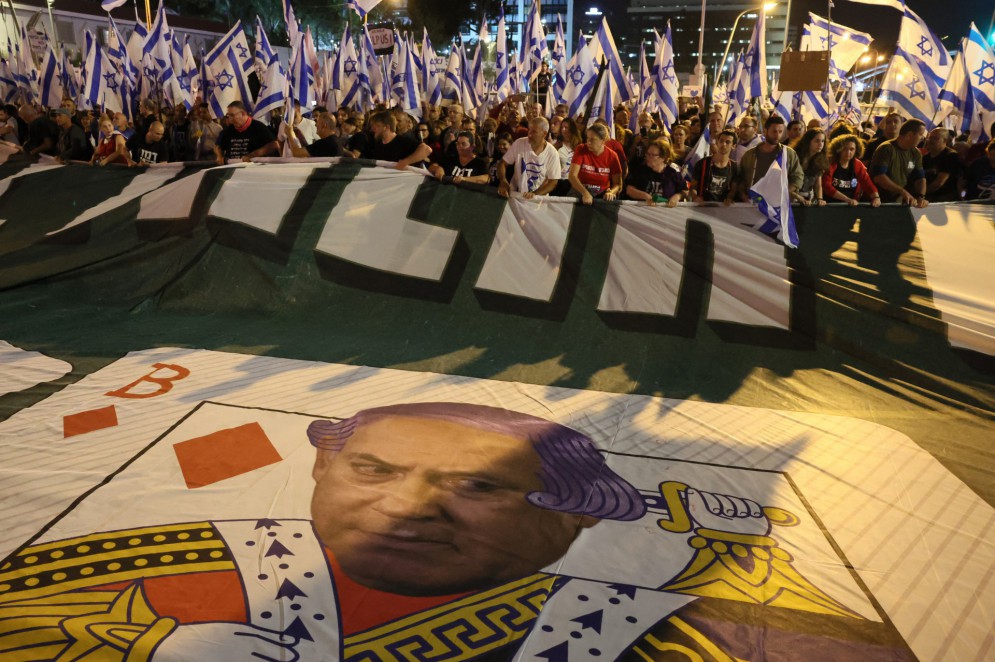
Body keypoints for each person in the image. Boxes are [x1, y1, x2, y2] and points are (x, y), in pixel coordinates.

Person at [738, 115, 804, 197]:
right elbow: (741, 179)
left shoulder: (789, 154)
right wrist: (743, 196)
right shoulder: (750, 155)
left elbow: (797, 178)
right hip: (753, 202)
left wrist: (782, 194)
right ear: (765, 131)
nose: (777, 135)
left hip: (778, 204)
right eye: (774, 131)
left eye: (780, 132)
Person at [498, 117, 561, 199]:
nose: (529, 134)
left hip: (538, 201)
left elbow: (553, 182)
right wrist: (503, 181)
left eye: (534, 131)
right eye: (529, 130)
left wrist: (535, 194)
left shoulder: (552, 153)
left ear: (544, 133)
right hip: (516, 196)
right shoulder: (519, 143)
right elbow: (502, 163)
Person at [870, 118, 928, 208]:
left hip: (900, 202)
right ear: (909, 135)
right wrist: (902, 191)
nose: (923, 138)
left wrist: (920, 196)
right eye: (920, 134)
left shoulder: (916, 153)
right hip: (880, 203)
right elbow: (879, 177)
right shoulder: (886, 149)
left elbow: (920, 178)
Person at [568, 123, 623, 205]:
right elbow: (572, 176)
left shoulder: (612, 156)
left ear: (603, 141)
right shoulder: (581, 149)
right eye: (587, 139)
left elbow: (618, 184)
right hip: (579, 193)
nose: (588, 142)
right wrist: (585, 193)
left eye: (593, 139)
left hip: (601, 197)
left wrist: (611, 192)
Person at [624, 139, 687, 207]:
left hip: (667, 212)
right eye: (647, 154)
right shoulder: (641, 169)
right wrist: (645, 196)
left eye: (652, 155)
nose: (648, 157)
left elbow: (685, 191)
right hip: (644, 211)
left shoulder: (673, 171)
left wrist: (677, 197)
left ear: (663, 157)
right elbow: (629, 190)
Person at [822, 134, 880, 206]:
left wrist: (876, 197)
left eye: (851, 149)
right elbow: (826, 186)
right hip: (830, 205)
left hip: (851, 205)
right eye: (845, 149)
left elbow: (867, 182)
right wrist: (847, 199)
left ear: (856, 150)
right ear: (838, 149)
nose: (848, 152)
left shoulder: (858, 165)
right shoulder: (831, 163)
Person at [214, 101, 279, 165]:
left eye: (232, 115)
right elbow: (217, 146)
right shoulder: (228, 130)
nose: (230, 119)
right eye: (228, 116)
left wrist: (253, 155)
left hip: (253, 169)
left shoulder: (258, 127)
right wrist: (219, 156)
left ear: (243, 113)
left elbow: (274, 145)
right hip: (232, 169)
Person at [363, 110, 432, 169]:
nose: (373, 129)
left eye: (377, 126)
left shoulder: (403, 142)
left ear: (386, 127)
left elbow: (426, 149)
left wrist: (405, 162)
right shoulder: (376, 144)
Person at [689, 129, 740, 205]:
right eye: (721, 141)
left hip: (723, 210)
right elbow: (693, 187)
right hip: (702, 208)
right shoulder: (702, 163)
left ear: (734, 146)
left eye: (727, 142)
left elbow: (733, 189)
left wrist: (729, 198)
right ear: (717, 142)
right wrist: (695, 197)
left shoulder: (735, 167)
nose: (723, 144)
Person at [921, 128, 961, 202]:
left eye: (935, 138)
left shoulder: (950, 156)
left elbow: (939, 182)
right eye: (930, 137)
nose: (931, 140)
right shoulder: (925, 158)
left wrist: (921, 194)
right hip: (928, 196)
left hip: (945, 198)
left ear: (945, 141)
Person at [791, 129, 829, 206]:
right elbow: (785, 185)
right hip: (791, 198)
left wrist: (820, 199)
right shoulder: (795, 157)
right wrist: (799, 198)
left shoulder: (820, 160)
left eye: (822, 141)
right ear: (808, 142)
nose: (820, 144)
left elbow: (818, 184)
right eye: (817, 141)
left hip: (809, 198)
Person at [554, 118, 582, 196]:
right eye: (562, 127)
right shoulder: (557, 145)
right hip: (560, 182)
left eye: (566, 127)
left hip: (574, 183)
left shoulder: (580, 146)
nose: (563, 130)